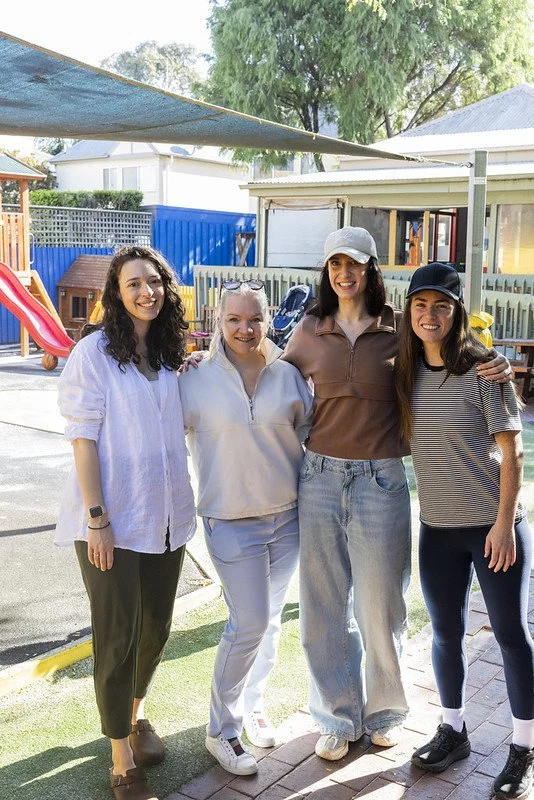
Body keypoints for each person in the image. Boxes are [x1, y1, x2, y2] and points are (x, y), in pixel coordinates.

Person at [281, 226, 511, 761]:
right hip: (318, 478)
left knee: (382, 606)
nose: (345, 274)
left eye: (354, 264)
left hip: (381, 480)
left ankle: (385, 711)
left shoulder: (400, 328)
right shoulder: (309, 331)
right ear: (326, 270)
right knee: (322, 607)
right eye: (335, 264)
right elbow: (269, 379)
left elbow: (452, 344)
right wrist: (209, 360)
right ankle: (337, 716)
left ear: (371, 270)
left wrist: (492, 358)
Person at [55, 245, 195, 800]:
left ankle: (134, 717)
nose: (147, 291)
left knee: (156, 629)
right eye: (134, 283)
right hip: (112, 521)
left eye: (155, 282)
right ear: (116, 293)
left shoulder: (169, 356)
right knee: (117, 637)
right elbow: (83, 438)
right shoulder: (93, 355)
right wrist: (96, 518)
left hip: (166, 520)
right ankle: (119, 757)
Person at [396, 262, 533, 800]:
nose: (430, 315)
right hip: (437, 530)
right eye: (421, 305)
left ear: (457, 314)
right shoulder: (403, 371)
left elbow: (512, 450)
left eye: (442, 306)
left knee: (510, 636)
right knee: (445, 634)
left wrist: (504, 524)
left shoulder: (483, 371)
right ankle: (453, 730)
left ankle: (523, 747)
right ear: (409, 312)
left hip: (491, 529)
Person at [178, 280, 313, 776]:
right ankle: (222, 730)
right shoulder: (191, 378)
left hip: (288, 519)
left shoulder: (288, 375)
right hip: (230, 523)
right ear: (218, 320)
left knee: (270, 621)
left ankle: (252, 703)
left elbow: (310, 432)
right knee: (249, 622)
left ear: (267, 317)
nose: (244, 328)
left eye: (253, 318)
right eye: (234, 319)